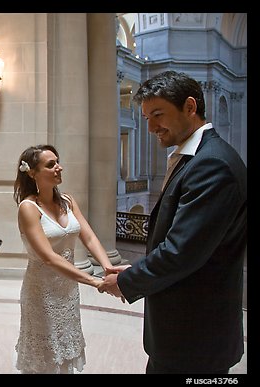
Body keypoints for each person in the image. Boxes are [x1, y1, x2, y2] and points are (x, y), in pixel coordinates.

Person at [99, 71, 247, 374]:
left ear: (190, 107)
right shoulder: (198, 157)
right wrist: (136, 268)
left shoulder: (212, 164)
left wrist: (127, 282)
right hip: (184, 335)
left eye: (158, 115)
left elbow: (181, 252)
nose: (151, 127)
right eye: (146, 117)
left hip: (195, 337)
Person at [13, 144, 124, 374]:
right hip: (41, 293)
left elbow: (90, 237)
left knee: (65, 350)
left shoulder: (67, 201)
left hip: (67, 290)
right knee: (45, 355)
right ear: (32, 173)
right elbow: (49, 258)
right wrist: (94, 282)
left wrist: (108, 268)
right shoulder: (28, 208)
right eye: (51, 164)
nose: (59, 167)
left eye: (58, 161)